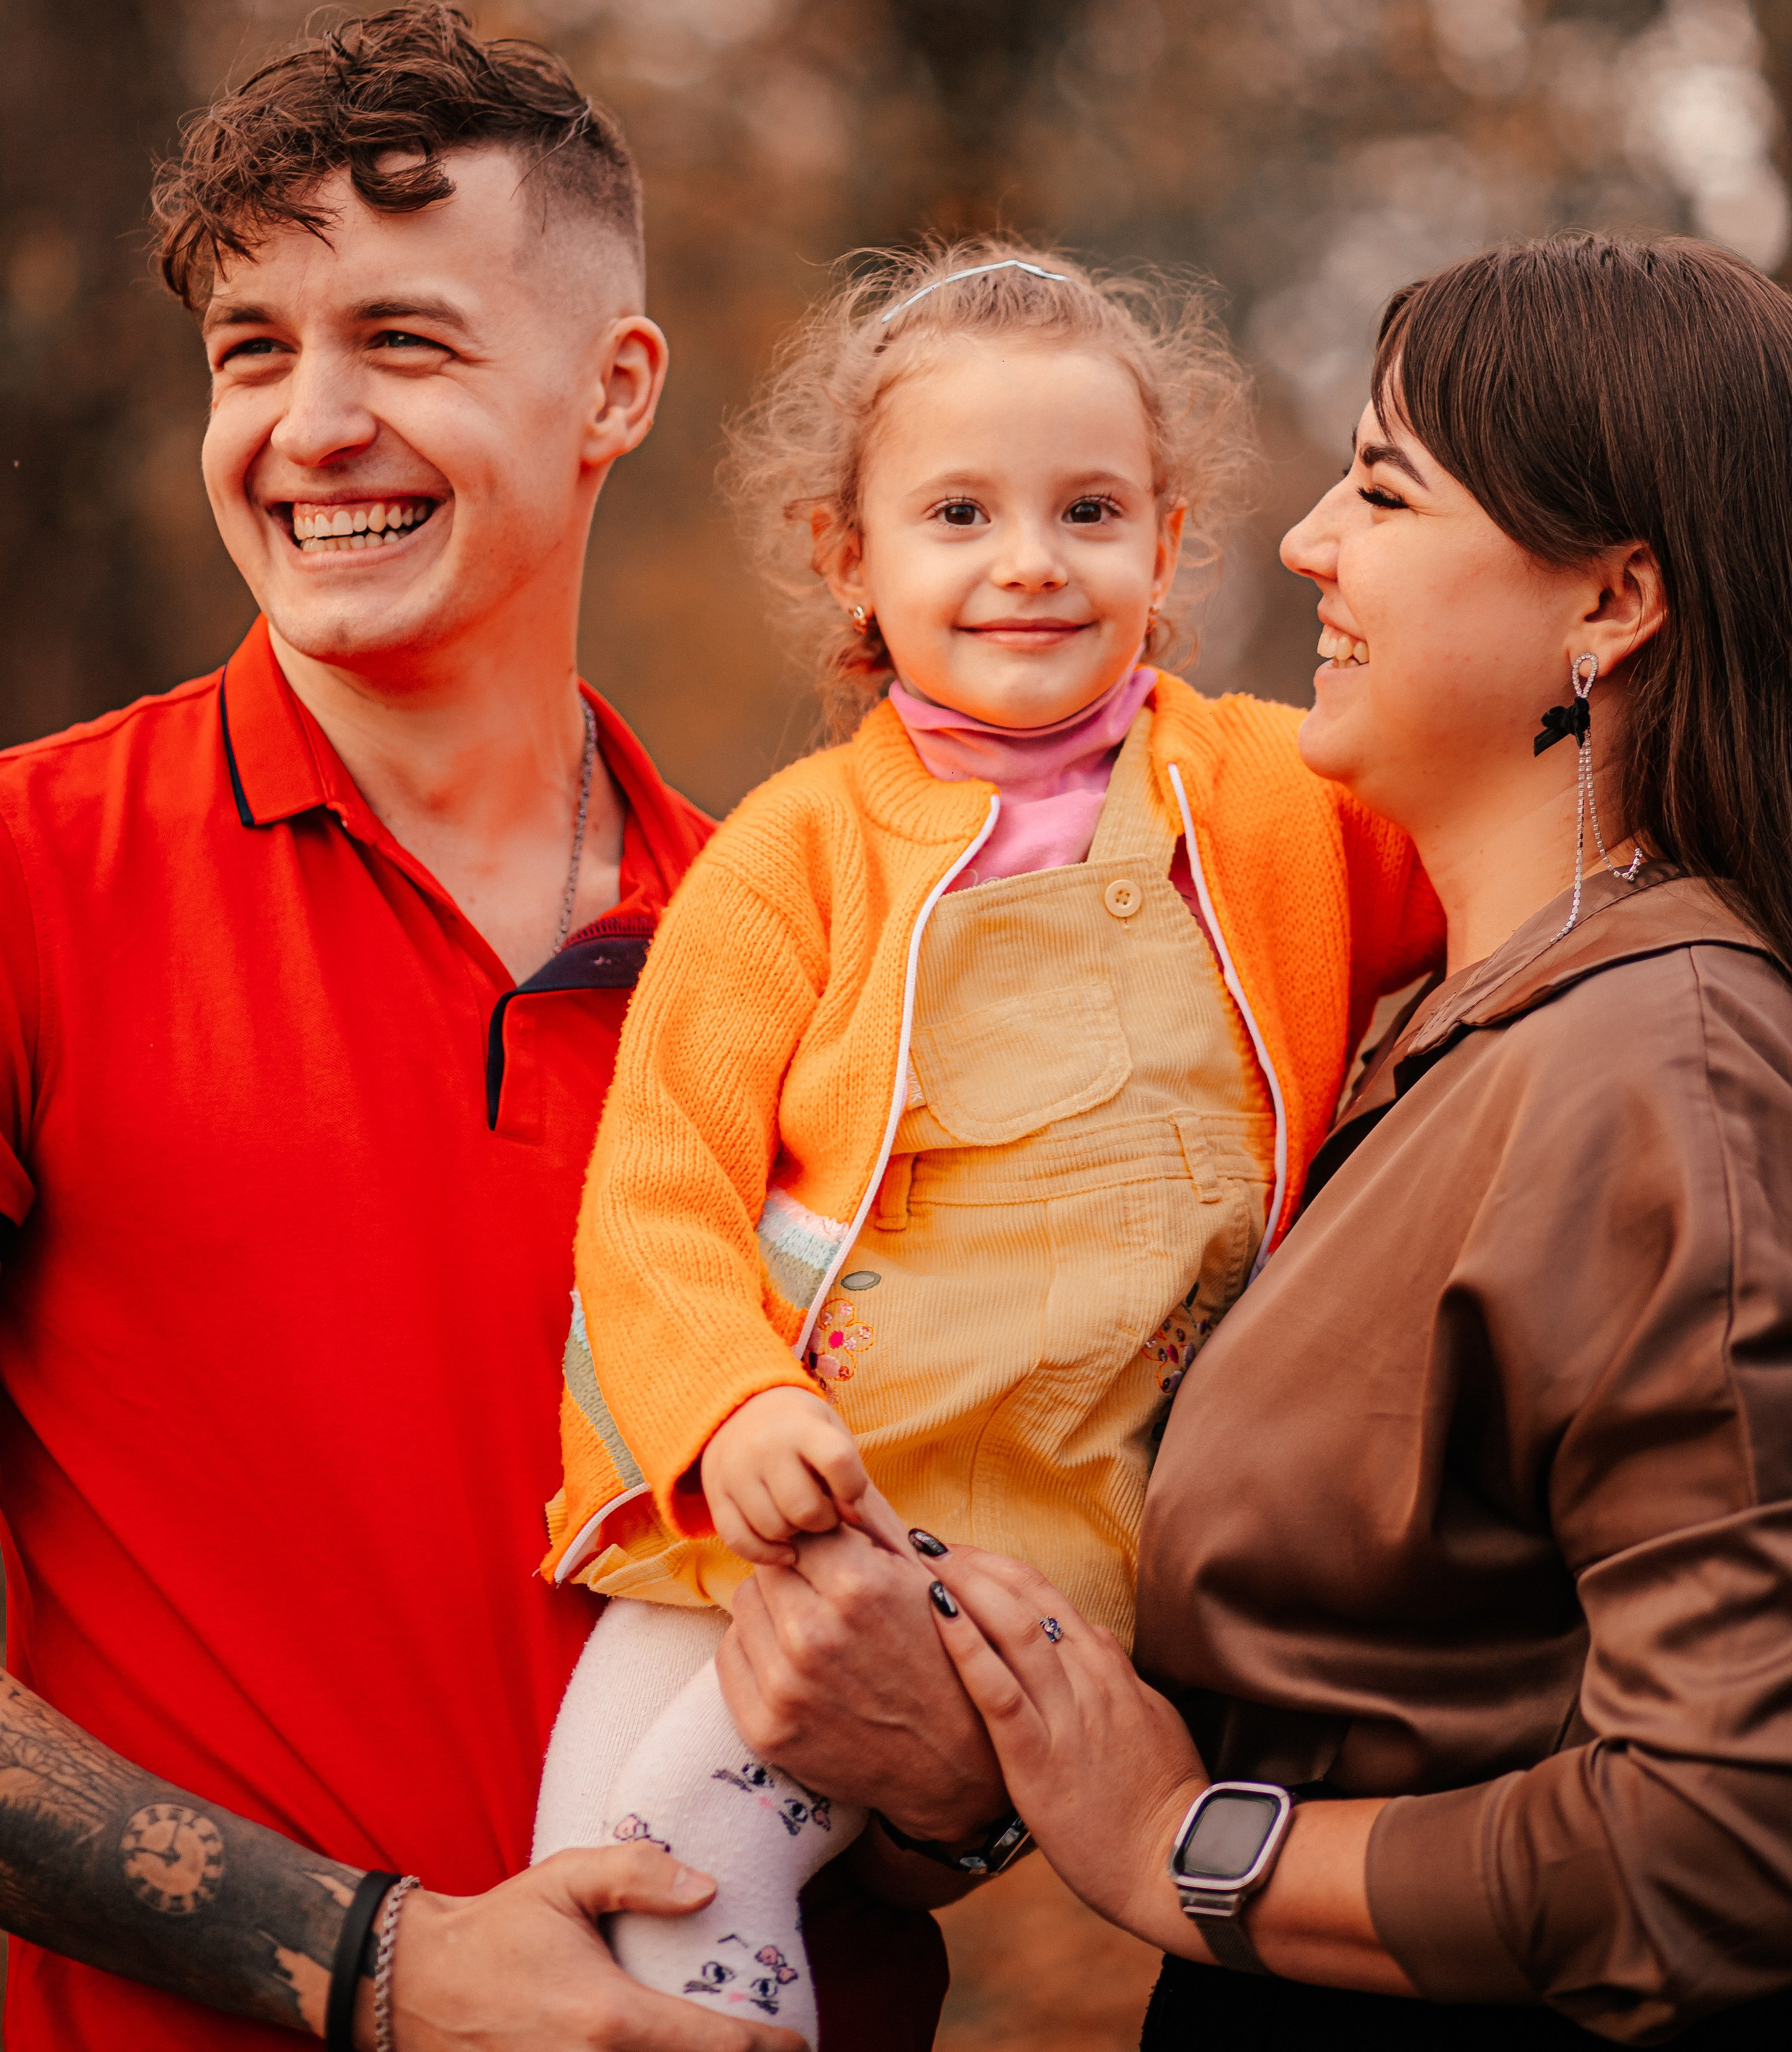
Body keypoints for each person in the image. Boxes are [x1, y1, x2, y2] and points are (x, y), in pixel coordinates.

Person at [0, 0, 930, 2051]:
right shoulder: (28, 875)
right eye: (255, 353)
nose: (307, 425)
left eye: (400, 343)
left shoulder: (825, 958)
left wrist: (955, 1776)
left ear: (614, 391)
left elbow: (978, 1550)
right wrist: (376, 1966)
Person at [864, 232, 1792, 2042]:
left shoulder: (1666, 1068)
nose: (1307, 540)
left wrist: (1181, 1846)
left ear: (1609, 603)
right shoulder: (1466, 1027)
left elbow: (1743, 1829)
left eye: (1382, 489)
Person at [530, 243, 1442, 2040]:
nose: (1028, 561)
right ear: (847, 559)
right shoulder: (796, 850)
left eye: (1087, 510)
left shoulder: (1270, 795)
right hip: (796, 1473)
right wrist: (733, 1408)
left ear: (1166, 546)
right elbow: (656, 1186)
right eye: (958, 511)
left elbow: (1482, 873)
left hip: (1054, 1510)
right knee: (580, 1850)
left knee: (689, 1850)